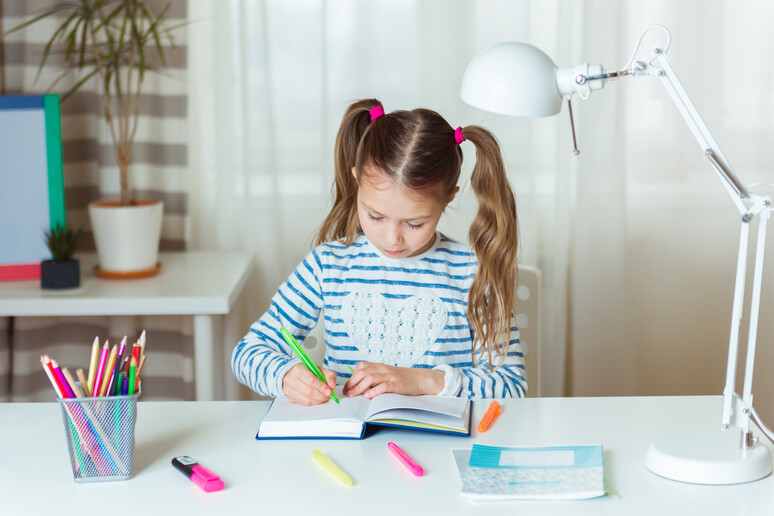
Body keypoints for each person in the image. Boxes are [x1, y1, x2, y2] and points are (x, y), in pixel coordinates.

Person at [232, 99, 525, 405]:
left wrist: (424, 381)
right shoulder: (327, 265)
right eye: (375, 216)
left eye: (414, 223)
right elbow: (247, 353)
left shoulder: (471, 272)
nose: (391, 238)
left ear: (449, 198)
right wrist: (285, 375)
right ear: (357, 179)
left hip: (440, 446)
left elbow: (511, 385)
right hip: (350, 443)